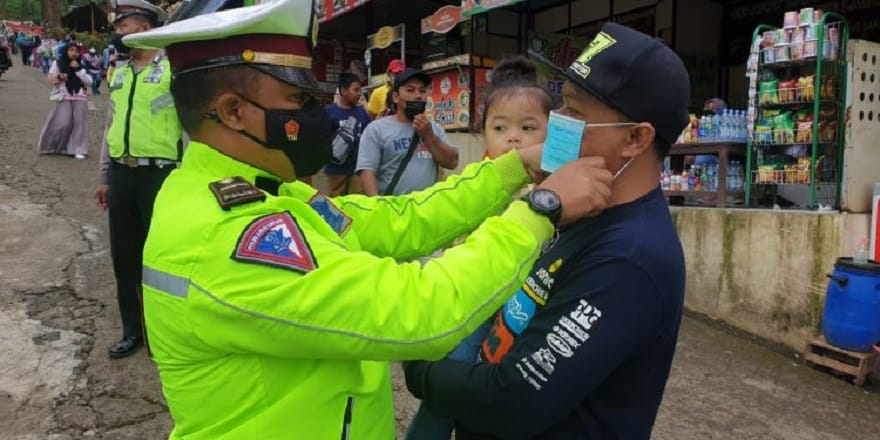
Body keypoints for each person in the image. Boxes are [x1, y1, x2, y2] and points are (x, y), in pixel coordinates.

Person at [123, 0, 615, 437]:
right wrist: (540, 210)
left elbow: (400, 219)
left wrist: (514, 169)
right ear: (232, 111)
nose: (316, 115)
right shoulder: (222, 234)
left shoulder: (270, 189)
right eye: (299, 102)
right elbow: (420, 312)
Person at [404, 22, 691, 439]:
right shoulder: (575, 206)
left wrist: (420, 367)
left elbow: (510, 400)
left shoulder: (630, 259)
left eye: (575, 111)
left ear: (634, 138)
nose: (556, 120)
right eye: (561, 104)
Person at [405, 55, 554, 440]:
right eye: (500, 127)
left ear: (552, 132)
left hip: (526, 308)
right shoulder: (475, 183)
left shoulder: (557, 187)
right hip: (476, 302)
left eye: (528, 127)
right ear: (482, 132)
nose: (513, 138)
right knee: (448, 389)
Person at [94, 0, 183, 359]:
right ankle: (133, 331)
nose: (118, 34)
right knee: (125, 258)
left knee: (162, 259)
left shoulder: (172, 71)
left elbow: (190, 127)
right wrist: (104, 176)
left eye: (123, 26)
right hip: (121, 175)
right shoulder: (119, 73)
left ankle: (167, 334)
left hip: (158, 177)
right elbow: (110, 126)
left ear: (145, 27)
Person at [356, 67, 459, 196]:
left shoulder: (434, 128)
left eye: (422, 91)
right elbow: (367, 171)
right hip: (393, 209)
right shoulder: (376, 130)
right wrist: (377, 205)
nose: (418, 96)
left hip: (426, 209)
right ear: (395, 97)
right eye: (410, 90)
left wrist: (429, 135)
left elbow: (452, 162)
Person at [36, 42, 92, 159]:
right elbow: (51, 78)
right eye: (71, 50)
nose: (74, 53)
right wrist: (59, 77)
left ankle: (78, 149)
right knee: (63, 122)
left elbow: (89, 81)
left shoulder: (82, 63)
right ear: (66, 51)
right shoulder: (58, 63)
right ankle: (56, 145)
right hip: (64, 95)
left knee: (79, 124)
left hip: (80, 95)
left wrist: (78, 70)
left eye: (76, 51)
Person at [323, 72, 370, 196]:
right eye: (355, 90)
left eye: (360, 90)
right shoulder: (329, 112)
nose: (359, 94)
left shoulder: (361, 112)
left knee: (356, 202)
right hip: (335, 169)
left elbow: (369, 134)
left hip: (357, 168)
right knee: (336, 204)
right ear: (343, 91)